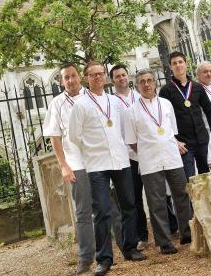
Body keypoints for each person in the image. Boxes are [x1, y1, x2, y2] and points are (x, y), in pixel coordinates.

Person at [68, 61, 145, 276]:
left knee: (129, 204)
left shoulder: (115, 102)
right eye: (93, 75)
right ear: (86, 79)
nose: (98, 77)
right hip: (96, 164)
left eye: (101, 74)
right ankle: (104, 259)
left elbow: (123, 128)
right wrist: (91, 148)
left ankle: (130, 248)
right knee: (101, 211)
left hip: (120, 160)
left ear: (105, 77)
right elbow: (74, 135)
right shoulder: (81, 105)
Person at [123, 69, 192, 255]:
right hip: (150, 162)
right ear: (136, 86)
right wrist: (148, 151)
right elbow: (131, 142)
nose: (146, 84)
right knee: (157, 203)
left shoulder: (167, 104)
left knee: (182, 196)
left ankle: (188, 233)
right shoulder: (131, 112)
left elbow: (172, 131)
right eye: (142, 82)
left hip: (172, 157)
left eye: (150, 81)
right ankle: (165, 243)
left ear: (155, 83)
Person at [43, 63, 94, 274]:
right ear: (61, 81)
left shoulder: (91, 96)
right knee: (83, 212)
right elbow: (54, 136)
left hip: (97, 160)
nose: (71, 80)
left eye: (73, 75)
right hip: (75, 163)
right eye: (66, 77)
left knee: (108, 207)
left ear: (79, 76)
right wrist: (64, 166)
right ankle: (85, 258)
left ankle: (114, 251)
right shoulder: (57, 103)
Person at [159, 51, 211, 179]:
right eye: (174, 63)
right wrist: (175, 141)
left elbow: (209, 110)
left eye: (180, 62)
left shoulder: (197, 87)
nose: (178, 65)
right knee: (189, 180)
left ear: (185, 64)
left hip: (202, 141)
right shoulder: (165, 90)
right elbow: (163, 120)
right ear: (170, 67)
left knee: (207, 178)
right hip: (183, 144)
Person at [110, 64, 148, 250]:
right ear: (113, 80)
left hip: (146, 151)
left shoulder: (139, 96)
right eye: (117, 76)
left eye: (124, 75)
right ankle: (142, 235)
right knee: (134, 198)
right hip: (127, 155)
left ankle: (170, 227)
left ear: (128, 77)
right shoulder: (111, 101)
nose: (122, 78)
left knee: (157, 193)